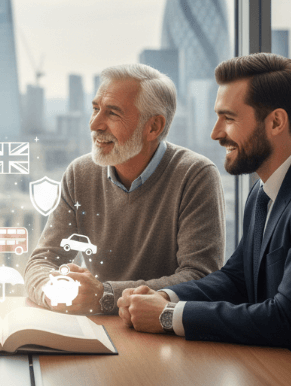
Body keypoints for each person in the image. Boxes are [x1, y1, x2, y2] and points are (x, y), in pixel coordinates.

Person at [118, 53, 291, 385]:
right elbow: (237, 279)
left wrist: (169, 317)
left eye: (228, 118)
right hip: (271, 366)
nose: (216, 133)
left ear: (275, 123)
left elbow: (288, 319)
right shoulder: (264, 190)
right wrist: (167, 298)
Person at [24, 63, 225, 315]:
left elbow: (200, 278)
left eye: (112, 113)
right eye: (95, 109)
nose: (95, 124)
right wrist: (52, 292)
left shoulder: (195, 175)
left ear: (153, 127)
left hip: (162, 333)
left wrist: (105, 295)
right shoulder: (79, 173)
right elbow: (43, 260)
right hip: (99, 327)